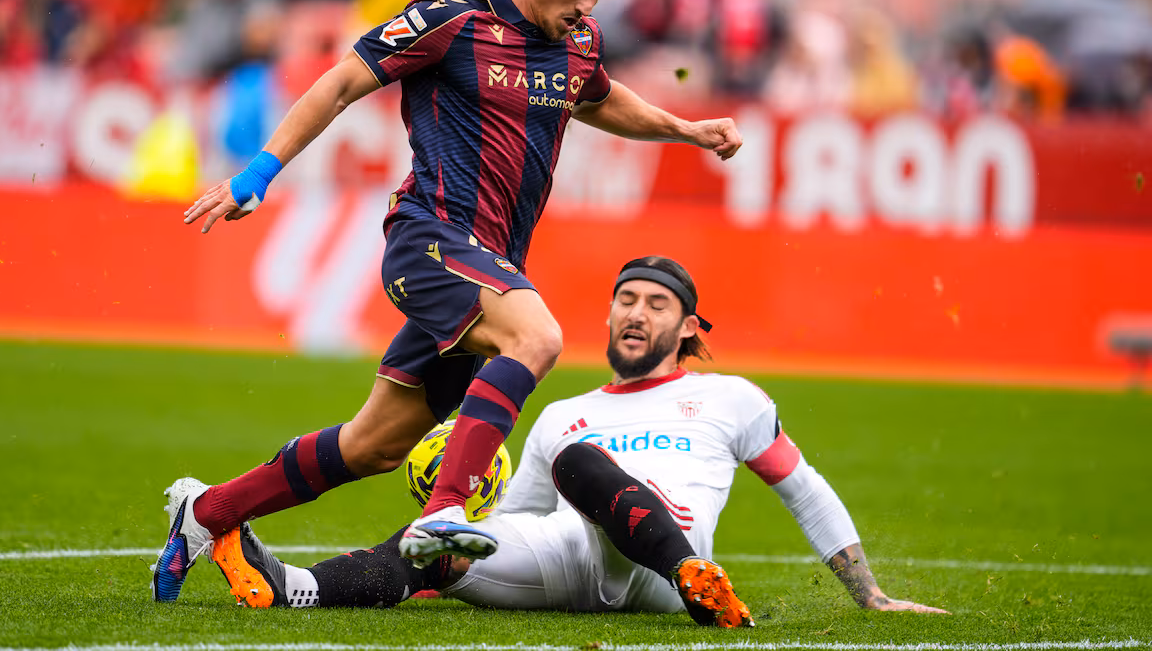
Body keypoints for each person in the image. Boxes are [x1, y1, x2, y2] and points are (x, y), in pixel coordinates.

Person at [156, 0, 743, 602]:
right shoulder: (452, 20)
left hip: (490, 266)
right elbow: (342, 81)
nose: (590, 5)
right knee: (536, 338)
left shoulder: (577, 43)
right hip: (430, 239)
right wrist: (259, 172)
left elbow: (600, 97)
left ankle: (208, 510)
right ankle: (444, 512)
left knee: (374, 443)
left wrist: (684, 129)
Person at [204, 256, 949, 627]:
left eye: (657, 305)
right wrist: (440, 553)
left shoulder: (732, 397)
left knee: (582, 462)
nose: (636, 313)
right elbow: (508, 523)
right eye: (626, 299)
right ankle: (293, 588)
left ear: (688, 327)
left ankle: (699, 583)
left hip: (662, 569)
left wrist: (871, 596)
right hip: (570, 562)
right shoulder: (562, 409)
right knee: (447, 533)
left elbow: (803, 487)